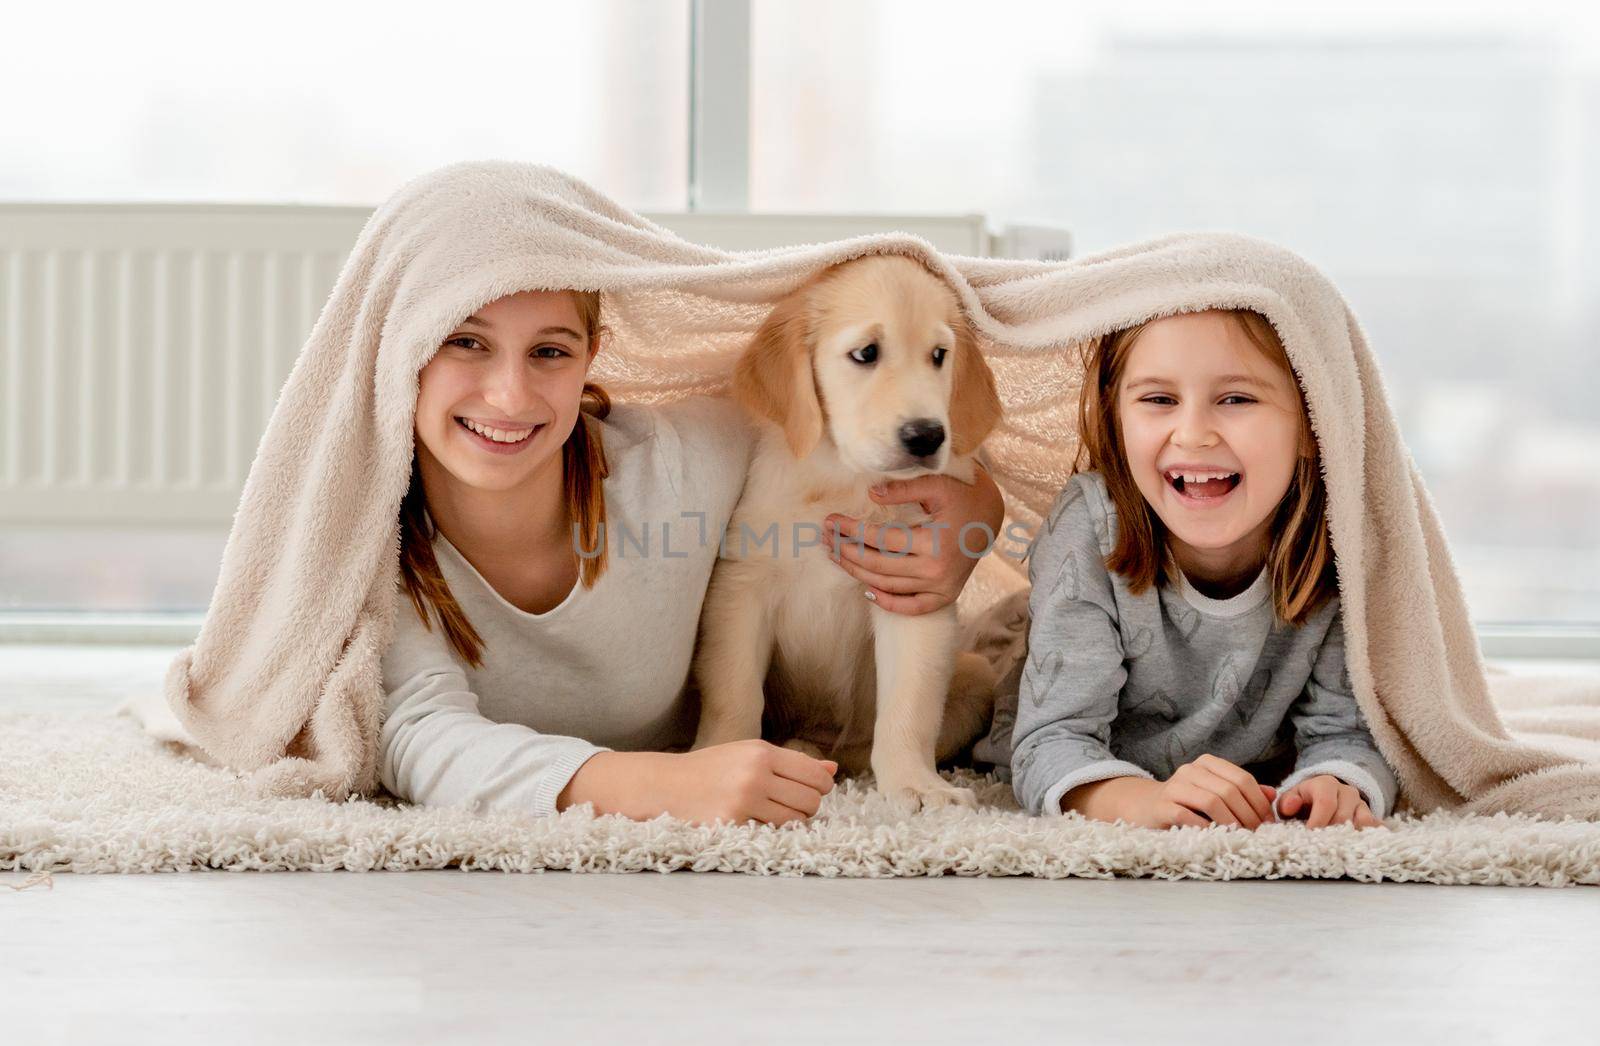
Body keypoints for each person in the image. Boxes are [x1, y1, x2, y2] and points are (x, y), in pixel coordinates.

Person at [381, 287, 1006, 826]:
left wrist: (979, 505)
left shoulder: (680, 463)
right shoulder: (371, 544)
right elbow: (415, 736)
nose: (510, 397)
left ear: (591, 355)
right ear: (401, 347)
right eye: (466, 342)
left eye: (550, 351)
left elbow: (837, 421)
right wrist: (660, 787)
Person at [1000, 308, 1396, 829]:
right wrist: (1134, 800)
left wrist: (1337, 783)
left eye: (1236, 399)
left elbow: (1354, 733)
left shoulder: (1339, 536)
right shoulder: (1091, 527)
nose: (1193, 434)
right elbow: (1048, 742)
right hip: (1102, 753)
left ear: (1311, 424)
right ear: (1117, 421)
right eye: (1159, 399)